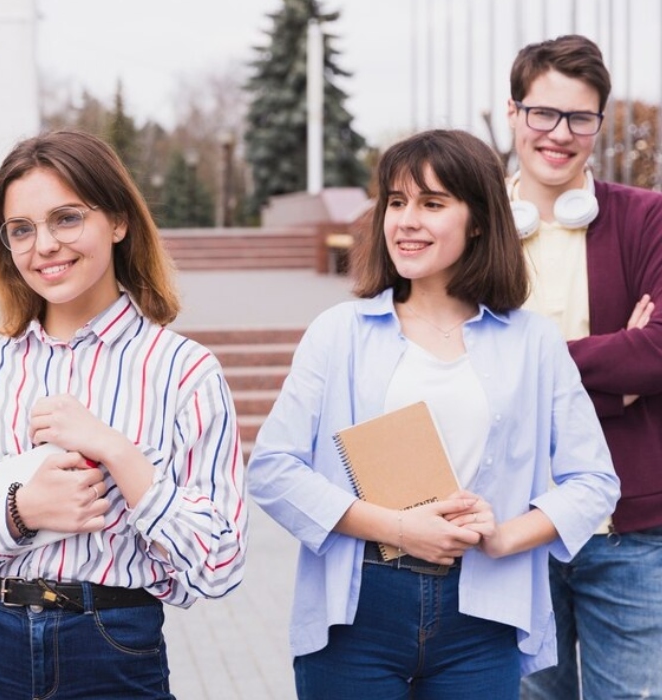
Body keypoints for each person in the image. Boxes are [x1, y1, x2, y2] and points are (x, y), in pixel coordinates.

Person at [248, 129, 619, 699]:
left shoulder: (533, 341)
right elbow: (273, 469)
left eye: (432, 203)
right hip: (357, 612)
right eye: (396, 202)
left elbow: (594, 480)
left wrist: (505, 535)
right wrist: (401, 529)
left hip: (483, 617)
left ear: (478, 220)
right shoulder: (339, 333)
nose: (406, 220)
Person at [0, 130, 248, 699]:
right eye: (22, 230)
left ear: (119, 221)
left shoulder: (184, 371)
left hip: (111, 646)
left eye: (67, 218)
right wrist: (18, 511)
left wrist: (120, 455)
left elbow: (219, 563)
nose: (45, 245)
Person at [507, 35, 662, 700]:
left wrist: (528, 366)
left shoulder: (646, 217)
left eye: (580, 118)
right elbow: (459, 372)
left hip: (629, 535)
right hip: (512, 530)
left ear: (599, 123)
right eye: (544, 113)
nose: (560, 134)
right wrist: (612, 379)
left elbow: (657, 351)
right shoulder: (468, 224)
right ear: (514, 114)